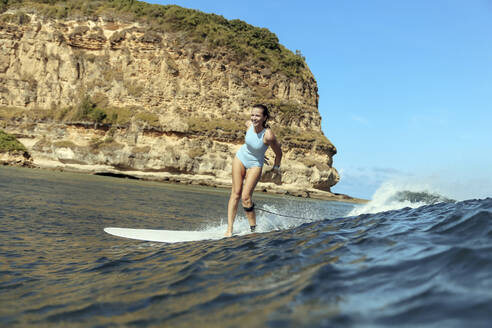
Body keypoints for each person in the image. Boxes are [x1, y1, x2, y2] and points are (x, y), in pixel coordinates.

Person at [225, 104, 282, 237]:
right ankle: (229, 229)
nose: (254, 118)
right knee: (236, 193)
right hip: (240, 158)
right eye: (252, 115)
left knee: (245, 198)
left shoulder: (268, 135)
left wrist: (276, 168)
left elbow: (279, 153)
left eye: (257, 115)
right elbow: (252, 142)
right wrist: (259, 151)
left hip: (255, 164)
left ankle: (253, 229)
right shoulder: (249, 124)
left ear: (264, 118)